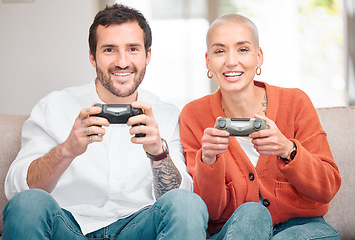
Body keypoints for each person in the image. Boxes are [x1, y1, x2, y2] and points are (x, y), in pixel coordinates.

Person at [3, 4, 208, 240]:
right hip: (70, 227)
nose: (122, 62)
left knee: (186, 204)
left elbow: (180, 200)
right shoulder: (54, 106)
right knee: (28, 204)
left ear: (148, 55)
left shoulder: (167, 114)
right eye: (109, 50)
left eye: (133, 49)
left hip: (140, 227)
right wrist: (66, 151)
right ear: (92, 56)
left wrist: (158, 153)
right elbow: (17, 191)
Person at [179, 13, 341, 239]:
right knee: (252, 214)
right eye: (219, 51)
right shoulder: (193, 115)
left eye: (243, 49)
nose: (231, 61)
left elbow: (326, 189)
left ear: (259, 57)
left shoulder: (295, 102)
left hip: (302, 228)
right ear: (208, 61)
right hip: (236, 229)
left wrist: (288, 150)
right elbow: (210, 212)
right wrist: (209, 161)